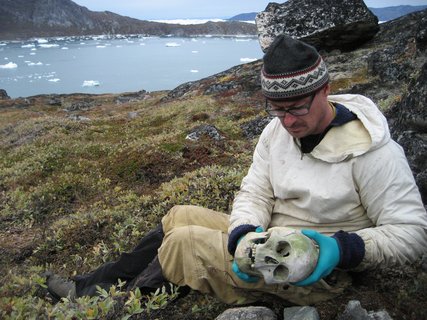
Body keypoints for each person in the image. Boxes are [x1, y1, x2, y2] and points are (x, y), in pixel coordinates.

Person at [46, 34, 427, 306]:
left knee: (184, 243)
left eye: (297, 107)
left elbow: (413, 234)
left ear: (325, 90)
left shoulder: (374, 153)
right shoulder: (275, 131)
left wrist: (341, 248)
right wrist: (243, 234)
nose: (288, 122)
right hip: (266, 242)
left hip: (314, 269)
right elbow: (255, 192)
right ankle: (91, 287)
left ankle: (110, 310)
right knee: (179, 216)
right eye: (276, 109)